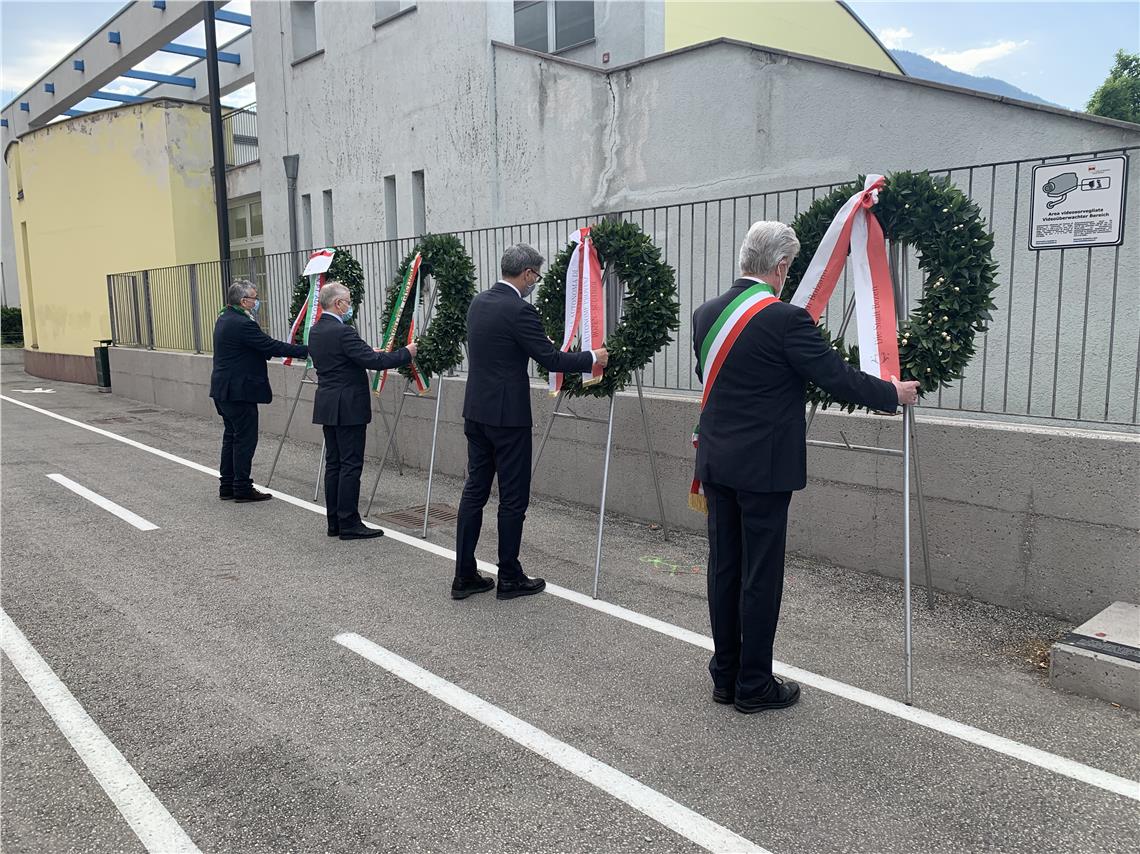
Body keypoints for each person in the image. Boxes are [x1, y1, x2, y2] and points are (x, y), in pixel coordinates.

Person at [692, 221, 920, 714]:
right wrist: (892, 393)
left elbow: (712, 379)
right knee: (760, 575)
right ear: (780, 267)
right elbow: (834, 377)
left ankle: (725, 676)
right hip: (764, 467)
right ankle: (755, 684)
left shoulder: (706, 313)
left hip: (716, 459)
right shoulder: (786, 320)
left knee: (724, 568)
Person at [452, 244, 609, 601]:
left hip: (476, 411)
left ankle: (464, 575)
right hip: (508, 417)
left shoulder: (479, 303)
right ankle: (509, 576)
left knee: (474, 491)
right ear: (526, 274)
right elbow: (551, 360)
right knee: (512, 498)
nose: (535, 282)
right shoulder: (520, 310)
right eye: (535, 276)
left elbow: (502, 348)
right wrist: (592, 357)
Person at [307, 281, 415, 540]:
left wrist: (367, 352)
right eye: (348, 301)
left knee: (334, 464)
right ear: (338, 304)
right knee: (350, 465)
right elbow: (374, 362)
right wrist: (406, 353)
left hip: (329, 403)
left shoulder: (317, 330)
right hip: (348, 406)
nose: (350, 305)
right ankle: (349, 523)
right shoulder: (343, 332)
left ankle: (335, 521)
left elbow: (347, 357)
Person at [209, 279, 309, 502]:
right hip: (238, 392)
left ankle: (227, 485)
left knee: (231, 437)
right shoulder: (242, 324)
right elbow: (270, 346)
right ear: (244, 300)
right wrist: (306, 350)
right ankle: (242, 487)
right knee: (244, 440)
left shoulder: (225, 317)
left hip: (224, 389)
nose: (257, 301)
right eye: (255, 298)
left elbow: (255, 348)